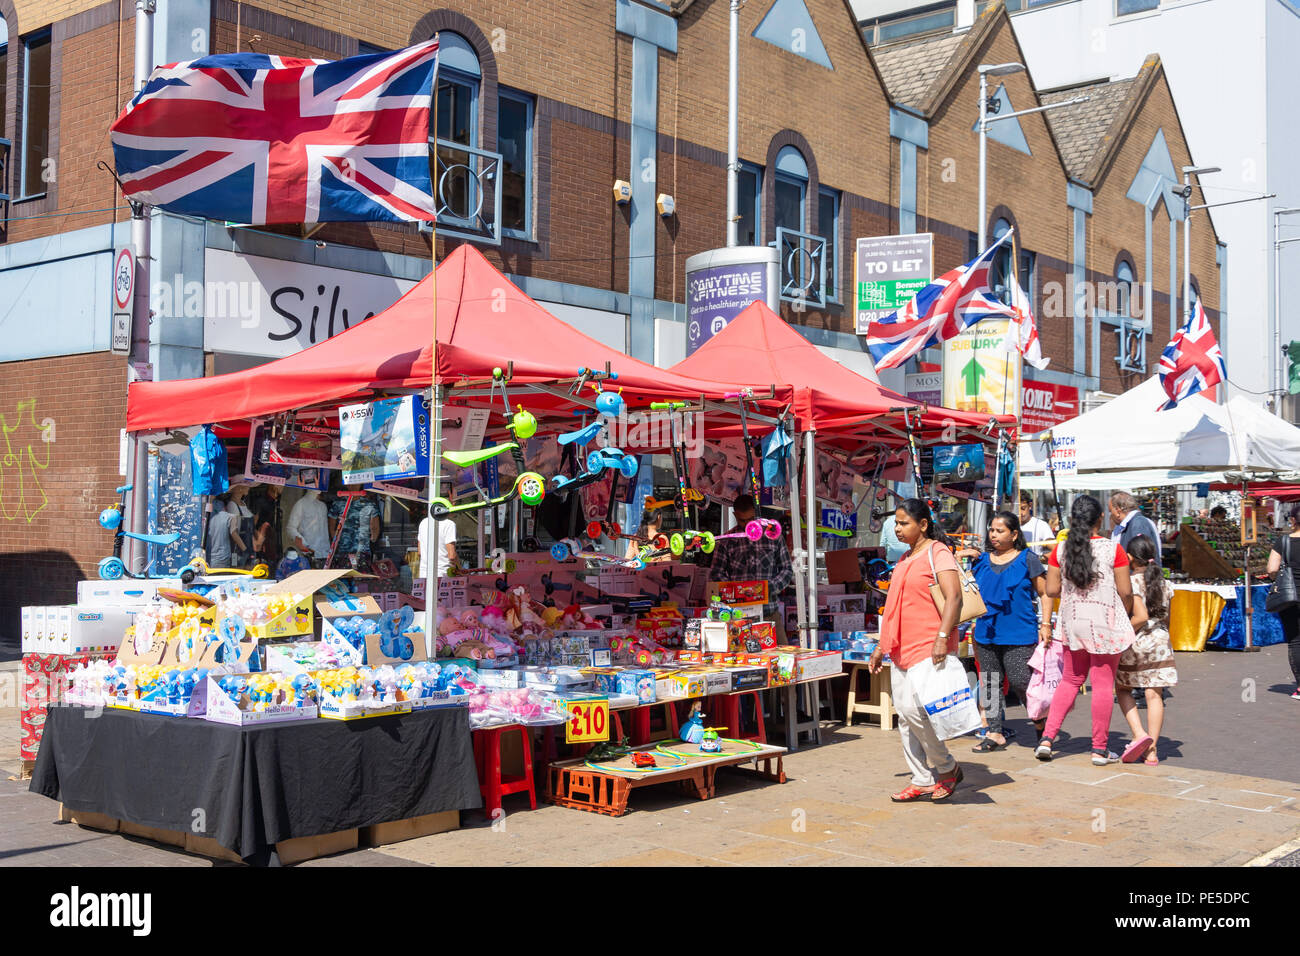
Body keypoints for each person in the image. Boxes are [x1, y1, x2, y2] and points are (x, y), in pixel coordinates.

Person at [868, 499, 965, 802]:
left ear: (923, 525)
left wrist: (941, 637)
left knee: (916, 711)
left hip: (927, 645)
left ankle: (947, 769)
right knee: (905, 717)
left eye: (903, 523)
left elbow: (954, 598)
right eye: (895, 523)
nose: (897, 528)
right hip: (900, 648)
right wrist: (881, 646)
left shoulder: (938, 553)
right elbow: (894, 607)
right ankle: (922, 778)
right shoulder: (905, 559)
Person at [1037, 494, 1136, 766]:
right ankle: (1099, 749)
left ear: (1072, 520)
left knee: (1071, 680)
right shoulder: (1113, 550)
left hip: (1073, 622)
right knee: (1103, 685)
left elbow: (1052, 589)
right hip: (1105, 621)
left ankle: (1047, 739)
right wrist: (1123, 610)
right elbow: (1126, 591)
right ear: (1100, 518)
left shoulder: (1060, 551)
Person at [957, 511, 1053, 752]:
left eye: (1000, 531)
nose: (994, 535)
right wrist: (960, 559)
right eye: (992, 530)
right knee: (989, 682)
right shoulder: (980, 560)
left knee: (1022, 680)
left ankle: (1042, 723)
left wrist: (1046, 624)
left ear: (1014, 534)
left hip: (1020, 632)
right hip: (986, 631)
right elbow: (959, 587)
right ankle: (994, 731)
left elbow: (1045, 593)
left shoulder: (1027, 559)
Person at [1116, 535, 1178, 764]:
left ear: (1130, 558)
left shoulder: (1130, 583)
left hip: (1136, 641)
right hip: (1160, 640)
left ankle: (1138, 733)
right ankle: (1151, 750)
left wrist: (1118, 630)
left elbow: (1137, 617)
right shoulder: (1165, 583)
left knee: (1123, 688)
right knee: (1155, 695)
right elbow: (1167, 618)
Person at [709, 494, 793, 641]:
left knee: (783, 656)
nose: (747, 524)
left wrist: (767, 588)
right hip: (738, 616)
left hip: (769, 613)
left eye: (751, 519)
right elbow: (716, 573)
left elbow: (786, 570)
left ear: (757, 512)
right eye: (742, 520)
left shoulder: (773, 536)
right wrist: (736, 591)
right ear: (735, 515)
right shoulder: (726, 540)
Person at [1265, 505, 1300, 700]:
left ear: (1293, 520)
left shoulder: (1283, 541)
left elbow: (1271, 569)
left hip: (1290, 596)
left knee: (1296, 641)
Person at [327, 490, 381, 569]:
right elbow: (331, 526)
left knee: (358, 576)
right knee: (346, 577)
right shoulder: (338, 503)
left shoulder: (369, 504)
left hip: (361, 549)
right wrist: (335, 542)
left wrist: (372, 540)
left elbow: (375, 526)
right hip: (343, 549)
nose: (353, 486)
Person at [1109, 492, 1161, 568]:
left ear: (1117, 510)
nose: (1111, 514)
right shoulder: (1126, 525)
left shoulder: (1138, 523)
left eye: (1110, 511)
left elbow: (1141, 560)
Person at [286, 488, 330, 564]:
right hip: (309, 554)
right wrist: (304, 545)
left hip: (326, 554)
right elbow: (291, 528)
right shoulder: (301, 504)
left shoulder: (323, 506)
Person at [205, 493, 245, 567]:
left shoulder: (206, 517)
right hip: (222, 558)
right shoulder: (230, 517)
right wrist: (245, 549)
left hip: (208, 557)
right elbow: (234, 535)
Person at [418, 511, 459, 579]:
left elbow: (420, 552)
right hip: (443, 574)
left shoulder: (423, 522)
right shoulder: (449, 524)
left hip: (424, 574)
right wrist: (460, 569)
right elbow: (451, 556)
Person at [1019, 490, 1055, 556]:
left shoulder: (1041, 525)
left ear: (1030, 505)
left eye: (1023, 508)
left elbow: (1054, 549)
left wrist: (1041, 558)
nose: (1020, 513)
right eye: (1017, 509)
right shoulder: (1009, 525)